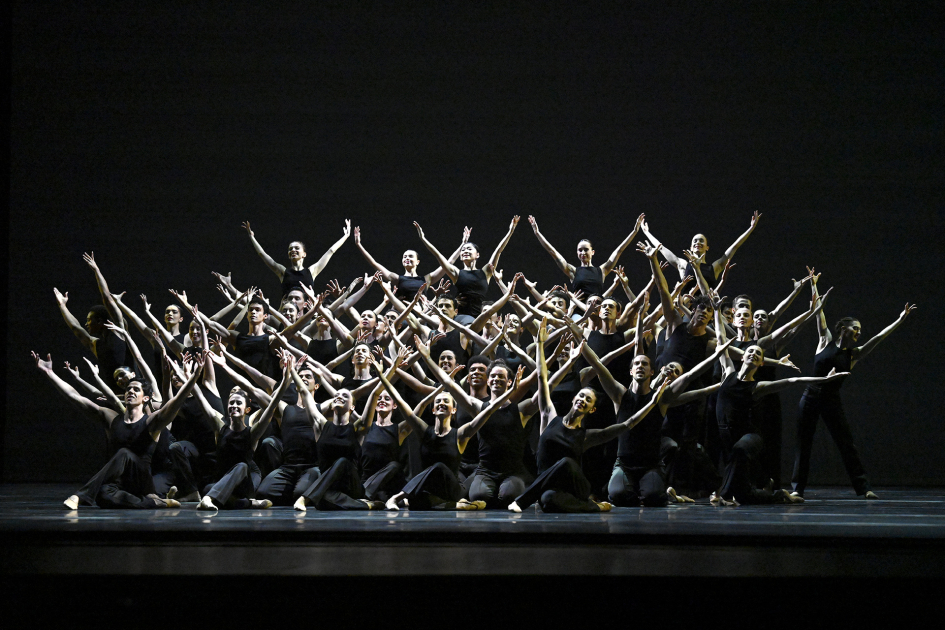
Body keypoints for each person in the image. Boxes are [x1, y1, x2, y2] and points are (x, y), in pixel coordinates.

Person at [791, 277, 917, 499]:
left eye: (860, 329)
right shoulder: (825, 340)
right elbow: (819, 313)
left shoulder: (853, 355)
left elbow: (878, 338)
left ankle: (863, 488)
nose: (859, 332)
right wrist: (813, 284)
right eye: (855, 328)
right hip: (810, 397)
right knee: (804, 444)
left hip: (831, 400)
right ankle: (797, 489)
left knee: (846, 444)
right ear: (842, 328)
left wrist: (900, 320)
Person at [713, 305, 851, 505]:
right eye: (750, 351)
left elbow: (791, 382)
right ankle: (776, 494)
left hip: (751, 435)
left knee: (740, 450)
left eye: (758, 354)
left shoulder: (758, 386)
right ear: (742, 356)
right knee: (745, 495)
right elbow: (720, 338)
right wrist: (717, 311)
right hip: (729, 433)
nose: (753, 354)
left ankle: (724, 496)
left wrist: (823, 380)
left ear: (761, 363)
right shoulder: (728, 372)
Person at [33, 349, 206, 509]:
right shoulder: (111, 418)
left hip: (142, 481)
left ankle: (80, 495)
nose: (130, 391)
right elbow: (74, 397)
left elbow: (175, 402)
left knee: (124, 453)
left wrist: (195, 375)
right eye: (129, 389)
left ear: (145, 399)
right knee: (103, 497)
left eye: (136, 390)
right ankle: (155, 502)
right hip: (120, 483)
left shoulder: (151, 422)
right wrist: (49, 373)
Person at [195, 354, 297, 511]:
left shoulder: (252, 432)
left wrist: (284, 382)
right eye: (231, 403)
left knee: (241, 466)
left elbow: (272, 407)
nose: (234, 405)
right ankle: (247, 503)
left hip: (245, 480)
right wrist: (192, 377)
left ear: (247, 410)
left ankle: (209, 500)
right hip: (224, 480)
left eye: (238, 403)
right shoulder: (220, 426)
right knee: (208, 488)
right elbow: (200, 398)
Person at [413, 216, 519, 322]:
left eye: (469, 249)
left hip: (480, 317)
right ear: (460, 256)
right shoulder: (456, 273)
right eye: (463, 250)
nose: (465, 251)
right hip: (460, 318)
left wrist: (511, 230)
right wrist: (423, 238)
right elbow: (437, 255)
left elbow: (498, 250)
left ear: (477, 255)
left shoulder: (486, 272)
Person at [526, 213, 645, 298]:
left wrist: (634, 231)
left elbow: (619, 251)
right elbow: (553, 252)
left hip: (597, 311)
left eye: (586, 250)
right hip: (579, 312)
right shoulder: (573, 271)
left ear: (592, 252)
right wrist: (537, 233)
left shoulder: (602, 270)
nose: (583, 253)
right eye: (580, 250)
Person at [353, 225, 470, 301]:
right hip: (403, 317)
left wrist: (462, 244)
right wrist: (359, 245)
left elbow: (448, 264)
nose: (407, 258)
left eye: (410, 256)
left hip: (421, 316)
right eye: (404, 257)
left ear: (418, 262)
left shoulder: (426, 279)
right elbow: (374, 263)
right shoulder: (397, 278)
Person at [641, 212, 761, 284]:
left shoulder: (715, 267)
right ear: (691, 247)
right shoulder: (683, 265)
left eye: (701, 241)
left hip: (708, 312)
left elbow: (735, 246)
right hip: (687, 311)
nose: (698, 242)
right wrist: (647, 232)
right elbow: (661, 248)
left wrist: (750, 228)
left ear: (707, 247)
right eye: (695, 241)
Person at [242, 219, 351, 296]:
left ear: (304, 254)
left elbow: (330, 251)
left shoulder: (312, 271)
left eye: (296, 248)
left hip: (307, 314)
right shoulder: (283, 272)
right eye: (290, 249)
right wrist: (252, 237)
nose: (293, 250)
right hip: (288, 314)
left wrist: (345, 236)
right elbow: (262, 254)